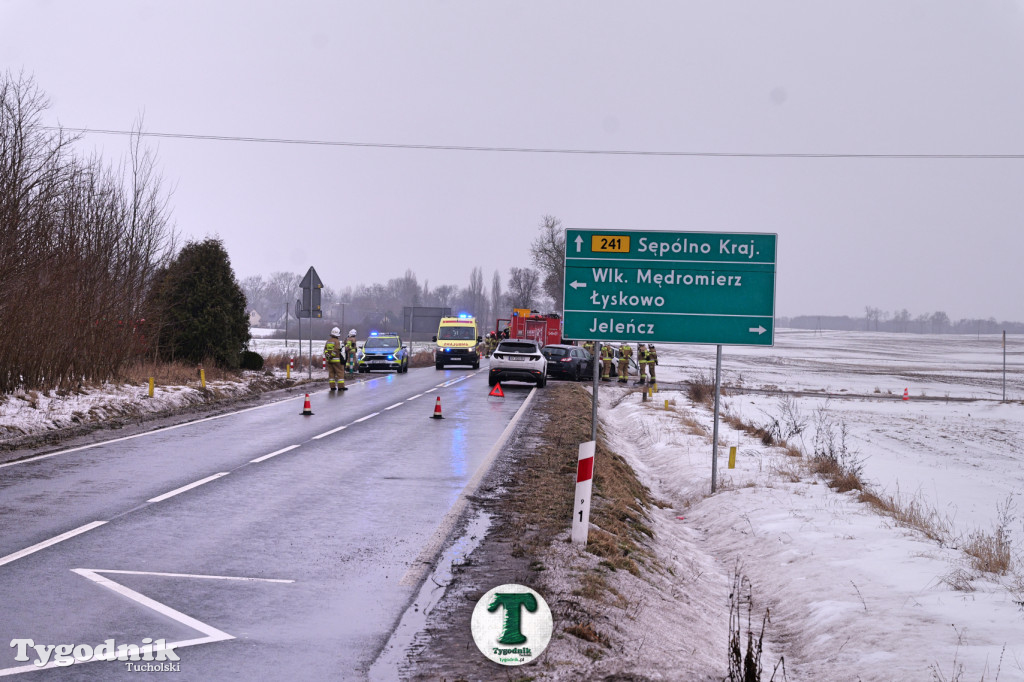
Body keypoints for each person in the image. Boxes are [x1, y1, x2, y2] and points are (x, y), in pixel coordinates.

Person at [324, 327, 347, 391]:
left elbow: (325, 350)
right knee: (340, 373)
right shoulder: (337, 341)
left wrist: (328, 356)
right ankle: (341, 387)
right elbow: (336, 350)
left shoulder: (328, 341)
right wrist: (332, 356)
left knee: (331, 374)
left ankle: (332, 387)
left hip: (329, 361)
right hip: (337, 360)